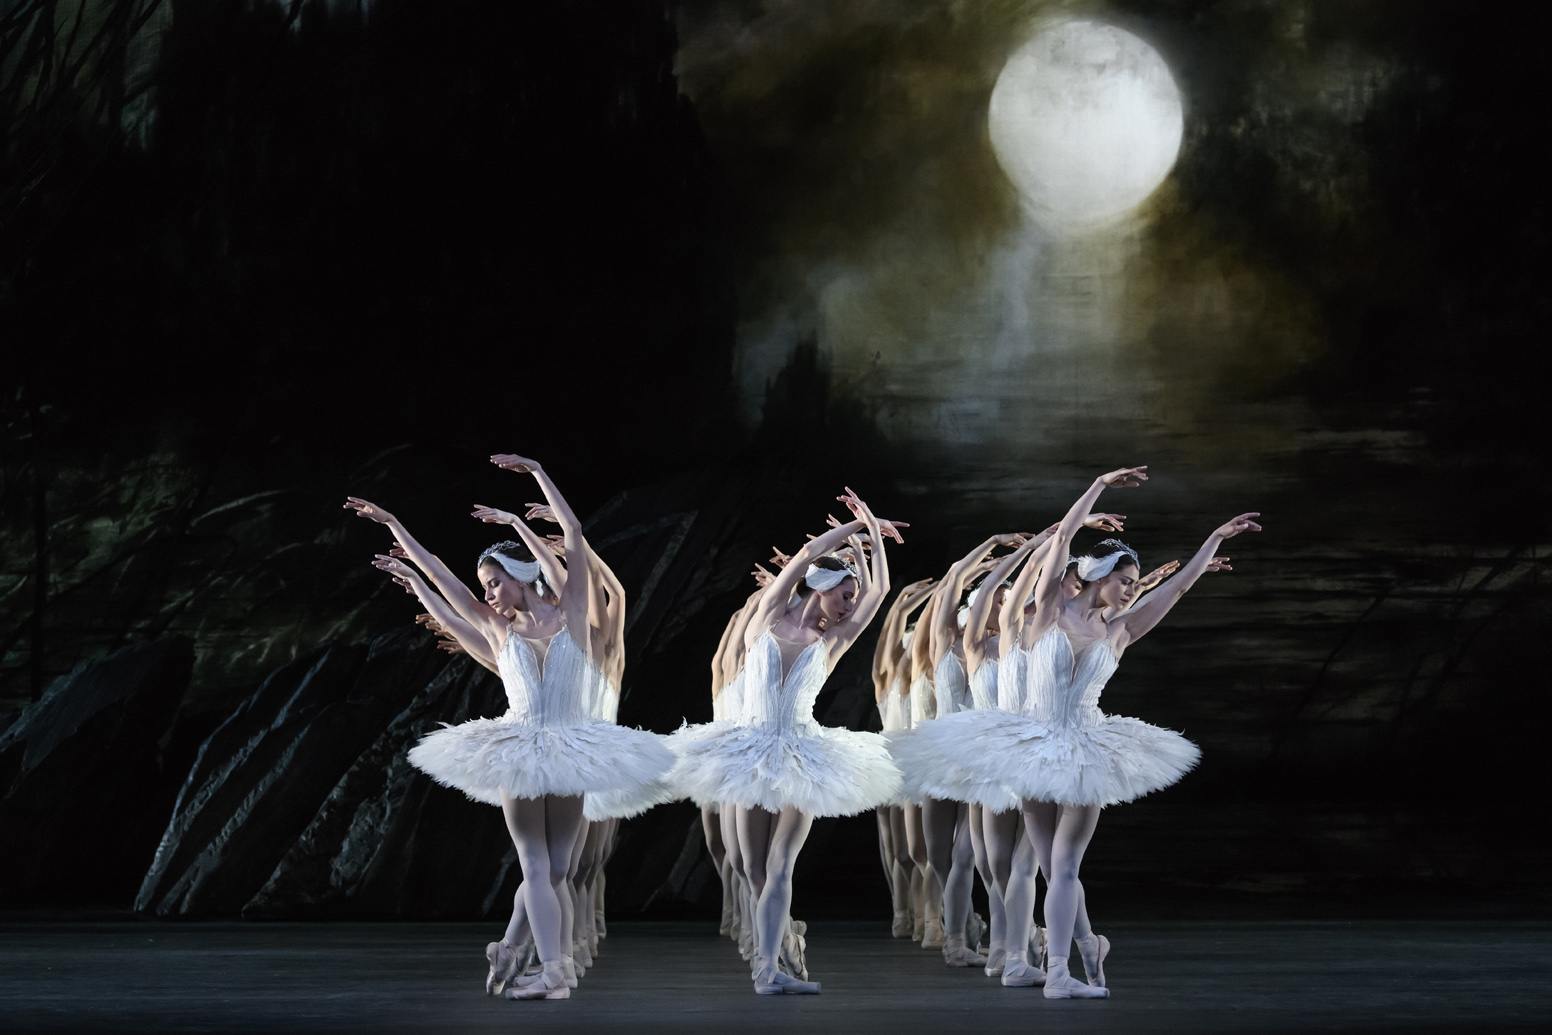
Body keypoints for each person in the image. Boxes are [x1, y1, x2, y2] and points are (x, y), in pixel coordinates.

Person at [899, 466, 1259, 998]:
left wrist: (1212, 541)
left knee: (1062, 867)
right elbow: (1064, 536)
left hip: (1087, 750)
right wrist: (1098, 486)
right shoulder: (1047, 611)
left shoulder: (1120, 629)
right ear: (1098, 575)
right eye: (1126, 581)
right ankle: (1085, 948)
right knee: (1049, 866)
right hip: (1031, 747)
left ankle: (1061, 971)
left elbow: (1178, 588)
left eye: (1135, 585)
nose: (1131, 591)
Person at [344, 454, 675, 1001]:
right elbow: (442, 579)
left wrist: (539, 473)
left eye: (495, 582)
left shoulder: (572, 612)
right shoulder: (497, 630)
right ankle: (553, 971)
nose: (489, 594)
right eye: (486, 586)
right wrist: (394, 527)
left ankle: (513, 951)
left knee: (558, 868)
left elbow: (574, 534)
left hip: (573, 745)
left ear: (521, 577)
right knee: (539, 864)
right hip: (519, 747)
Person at [667, 490, 905, 994]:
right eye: (846, 594)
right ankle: (782, 945)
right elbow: (805, 555)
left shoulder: (834, 639)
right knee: (752, 868)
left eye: (852, 597)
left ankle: (767, 969)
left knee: (779, 865)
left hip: (801, 754)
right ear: (821, 588)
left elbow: (880, 590)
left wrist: (872, 533)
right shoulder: (765, 620)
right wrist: (854, 528)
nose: (851, 604)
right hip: (748, 751)